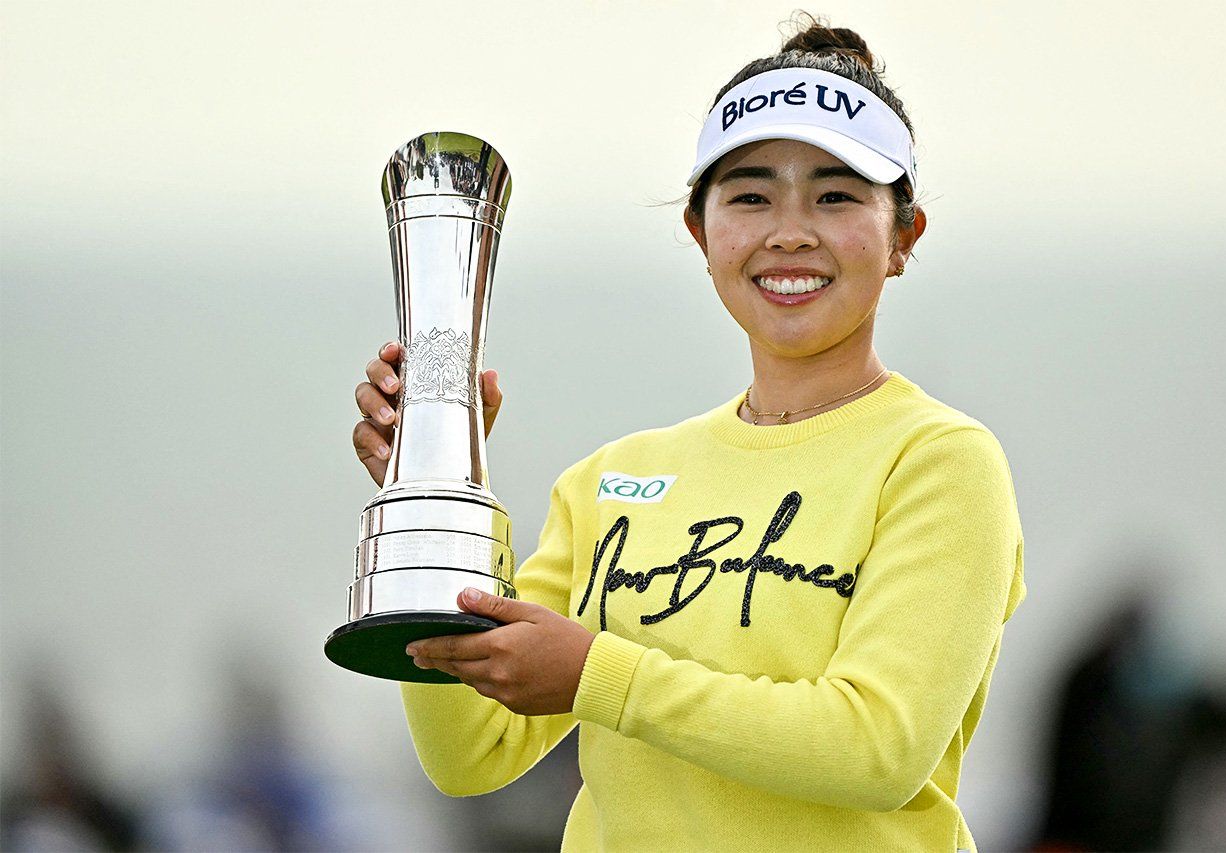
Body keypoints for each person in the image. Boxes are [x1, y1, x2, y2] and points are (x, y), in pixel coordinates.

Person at [351, 14, 1026, 852]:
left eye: (836, 194)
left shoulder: (940, 462)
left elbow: (877, 747)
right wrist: (438, 480)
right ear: (700, 231)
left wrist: (599, 673)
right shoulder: (612, 477)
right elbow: (469, 753)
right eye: (750, 195)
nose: (790, 230)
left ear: (903, 237)